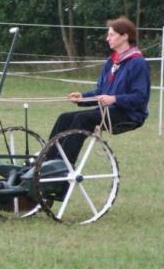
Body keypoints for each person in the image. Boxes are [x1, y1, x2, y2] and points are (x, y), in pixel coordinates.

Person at [48, 16, 150, 165]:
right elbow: (101, 92)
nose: (107, 38)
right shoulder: (111, 62)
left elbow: (140, 97)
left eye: (111, 35)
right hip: (108, 110)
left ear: (125, 36)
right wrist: (82, 97)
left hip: (128, 114)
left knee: (82, 119)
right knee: (64, 118)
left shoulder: (137, 63)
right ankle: (46, 160)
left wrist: (115, 99)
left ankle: (62, 165)